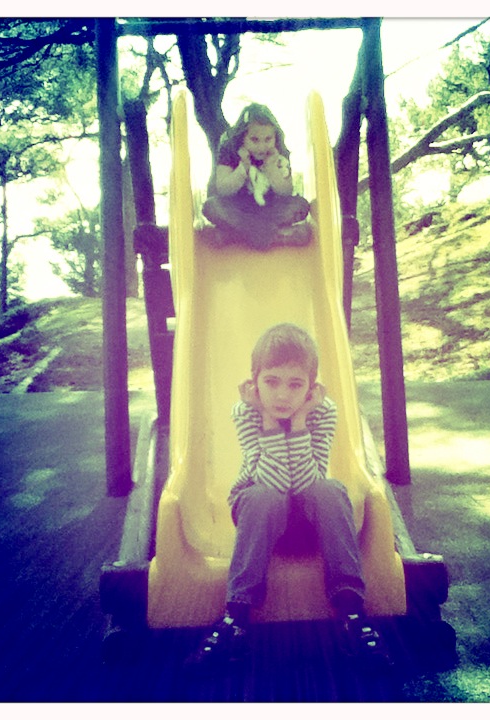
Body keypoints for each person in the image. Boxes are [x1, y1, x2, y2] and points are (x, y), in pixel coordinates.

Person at [186, 323, 391, 667]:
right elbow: (272, 482)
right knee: (263, 496)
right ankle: (236, 616)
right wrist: (268, 420)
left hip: (309, 525)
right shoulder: (246, 411)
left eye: (296, 384)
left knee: (330, 489)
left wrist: (300, 422)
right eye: (271, 382)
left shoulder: (322, 411)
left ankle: (352, 613)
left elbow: (309, 481)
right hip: (259, 521)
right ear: (255, 380)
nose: (282, 395)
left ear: (312, 387)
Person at [202, 104, 311, 249]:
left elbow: (285, 191)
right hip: (238, 209)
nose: (262, 146)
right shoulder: (230, 150)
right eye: (254, 139)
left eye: (268, 139)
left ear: (275, 137)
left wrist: (271, 168)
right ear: (242, 138)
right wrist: (243, 168)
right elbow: (223, 189)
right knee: (211, 207)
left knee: (300, 205)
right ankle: (277, 236)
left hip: (270, 210)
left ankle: (234, 236)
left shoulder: (278, 151)